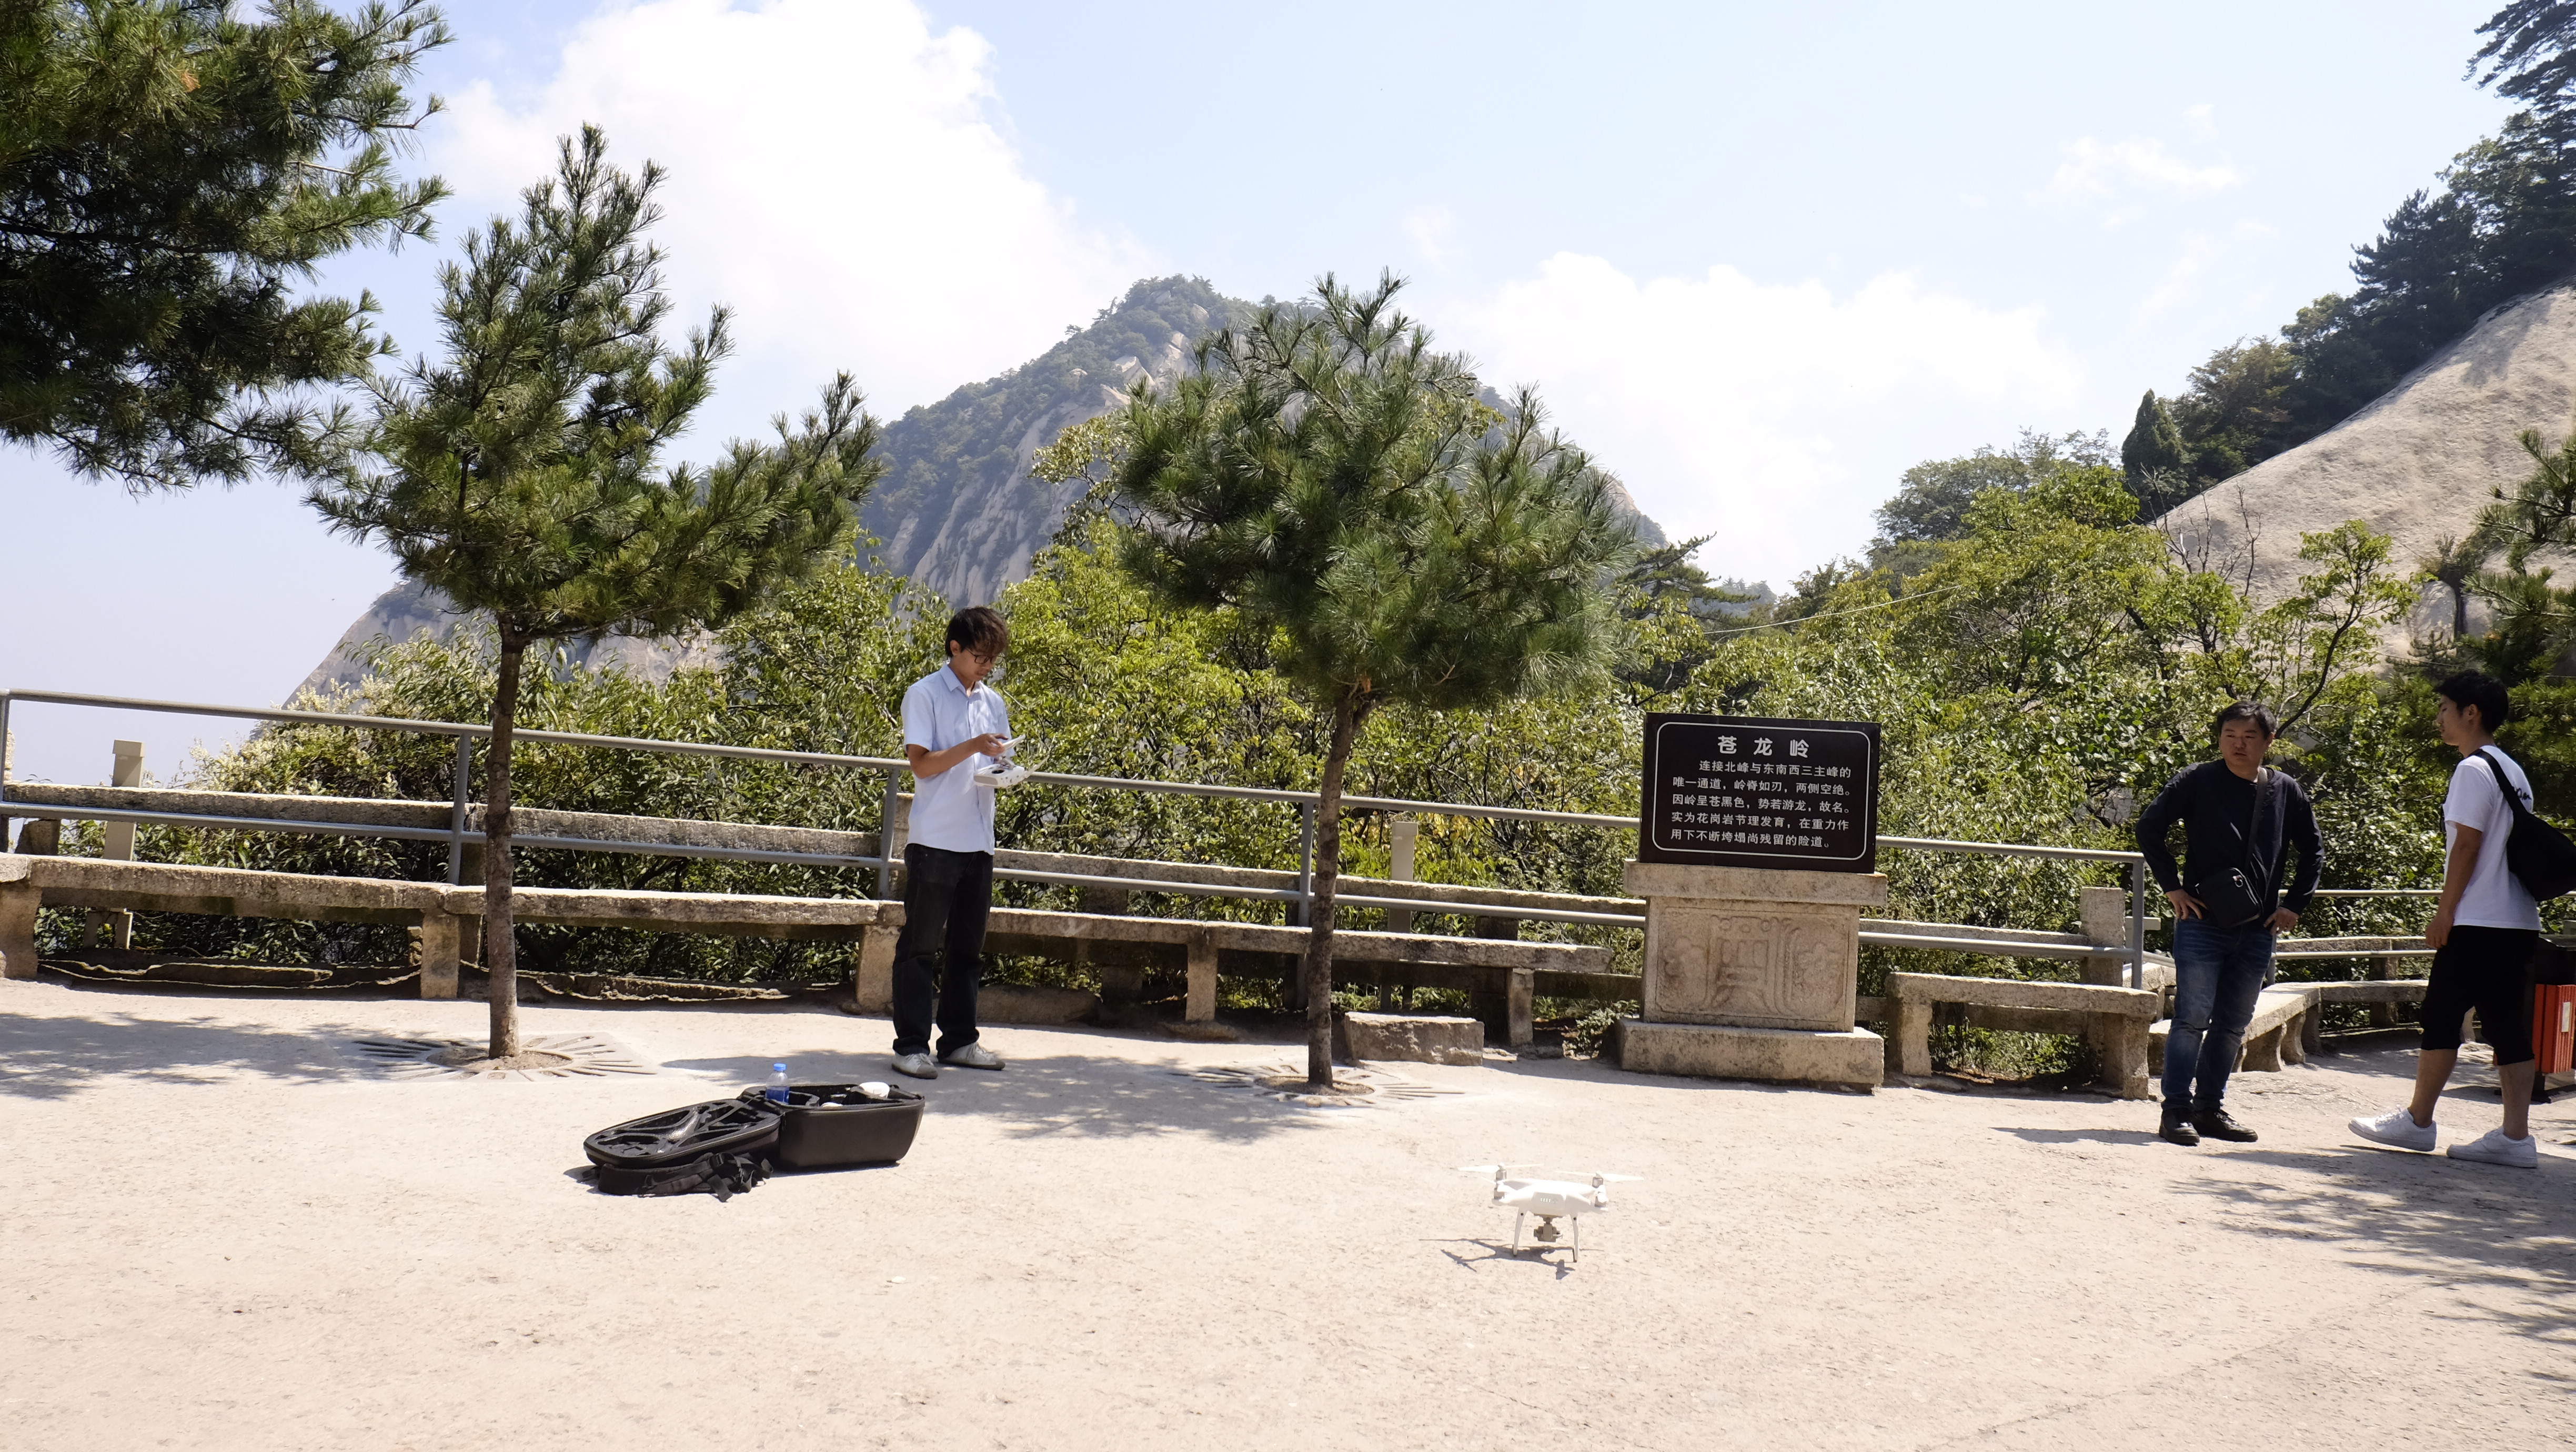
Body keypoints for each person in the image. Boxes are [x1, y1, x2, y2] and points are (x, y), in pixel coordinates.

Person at [2350, 671, 2543, 1168]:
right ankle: (2516, 1137)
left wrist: (2445, 912)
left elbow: (2468, 845)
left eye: (2443, 708)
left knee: (2439, 1017)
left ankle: (2418, 1122)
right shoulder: (2512, 771)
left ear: (2470, 713)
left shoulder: (2472, 770)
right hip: (2519, 919)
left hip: (2478, 920)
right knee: (2505, 1025)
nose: (2438, 718)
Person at [2137, 701, 2322, 1147]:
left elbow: (2313, 849)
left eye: (2249, 736)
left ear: (2269, 741)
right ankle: (2175, 1111)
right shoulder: (2198, 780)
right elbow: (2149, 828)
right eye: (2230, 735)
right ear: (2219, 737)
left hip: (2259, 927)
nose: (2238, 744)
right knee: (2192, 1018)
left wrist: (2294, 904)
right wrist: (2173, 888)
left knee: (2233, 1025)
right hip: (2202, 919)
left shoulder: (2286, 790)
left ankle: (2210, 1109)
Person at [886, 606, 1015, 1080]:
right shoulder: (923, 694)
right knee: (920, 946)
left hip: (979, 840)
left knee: (968, 949)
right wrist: (973, 747)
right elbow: (921, 765)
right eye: (979, 656)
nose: (985, 667)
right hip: (936, 839)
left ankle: (960, 1040)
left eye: (992, 660)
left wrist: (1004, 768)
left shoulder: (992, 701)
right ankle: (911, 1046)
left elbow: (992, 762)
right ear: (954, 648)